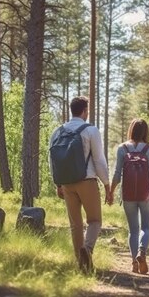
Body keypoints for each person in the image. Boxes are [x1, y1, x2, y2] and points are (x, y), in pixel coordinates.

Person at [52, 96, 112, 273]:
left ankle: (81, 264)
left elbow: (53, 160)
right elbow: (99, 160)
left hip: (67, 183)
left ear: (72, 110)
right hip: (87, 181)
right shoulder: (91, 130)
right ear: (84, 111)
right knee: (94, 221)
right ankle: (87, 249)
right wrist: (107, 184)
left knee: (75, 225)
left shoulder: (58, 131)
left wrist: (58, 184)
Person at [107, 119, 149, 274]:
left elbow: (117, 174)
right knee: (145, 227)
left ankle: (133, 263)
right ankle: (142, 253)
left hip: (128, 195)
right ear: (146, 132)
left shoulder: (122, 148)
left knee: (133, 230)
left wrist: (111, 192)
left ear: (131, 130)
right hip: (146, 195)